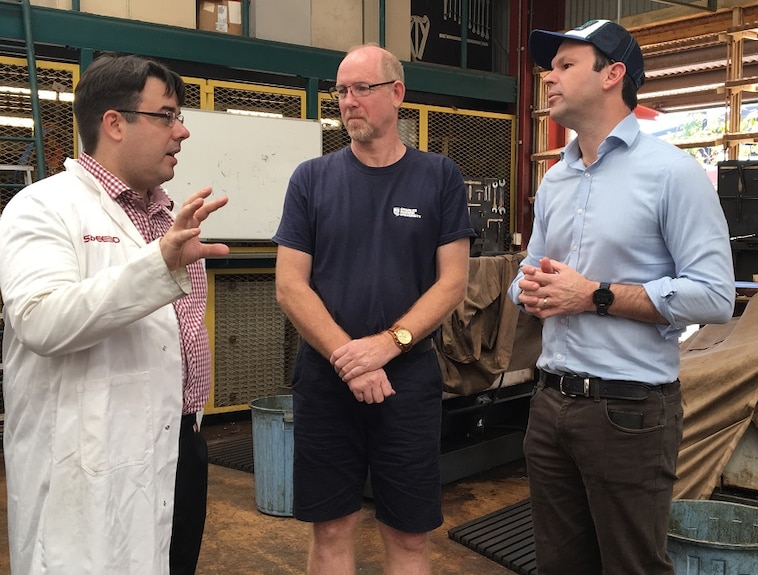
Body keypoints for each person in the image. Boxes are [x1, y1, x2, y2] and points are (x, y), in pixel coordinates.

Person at [507, 20, 735, 575]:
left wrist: (594, 296)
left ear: (612, 75)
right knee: (560, 564)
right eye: (549, 67)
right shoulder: (556, 179)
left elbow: (714, 296)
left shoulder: (671, 174)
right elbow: (526, 273)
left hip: (629, 411)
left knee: (631, 565)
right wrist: (529, 289)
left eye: (565, 65)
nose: (548, 78)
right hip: (550, 404)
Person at [0, 53, 228, 574]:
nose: (183, 131)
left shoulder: (169, 216)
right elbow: (41, 318)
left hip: (183, 443)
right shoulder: (43, 208)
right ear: (114, 124)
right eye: (167, 115)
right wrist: (157, 266)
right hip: (90, 451)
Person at [273, 43, 474, 575]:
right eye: (341, 90)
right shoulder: (310, 180)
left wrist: (388, 346)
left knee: (408, 536)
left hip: (407, 381)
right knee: (332, 528)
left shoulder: (439, 178)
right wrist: (350, 357)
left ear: (397, 94)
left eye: (362, 88)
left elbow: (453, 282)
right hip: (326, 378)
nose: (348, 101)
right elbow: (290, 286)